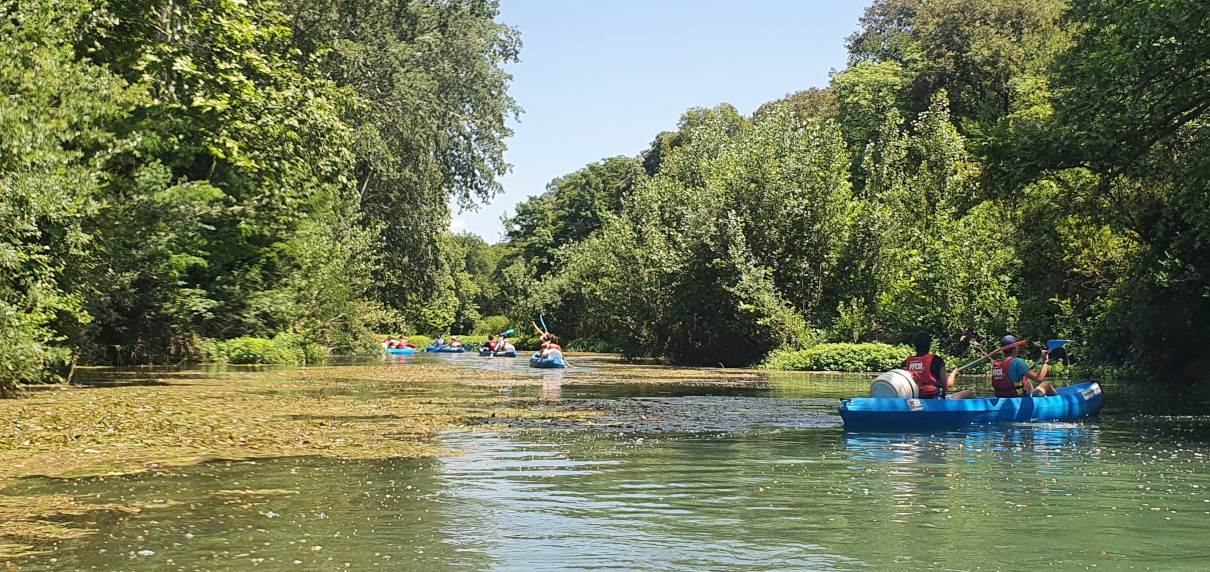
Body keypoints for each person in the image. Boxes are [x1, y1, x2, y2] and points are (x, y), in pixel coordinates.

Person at [903, 331, 974, 400]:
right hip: (935, 401)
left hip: (913, 400)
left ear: (914, 345)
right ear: (929, 345)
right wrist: (953, 374)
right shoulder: (936, 361)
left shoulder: (906, 363)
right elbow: (947, 387)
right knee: (968, 394)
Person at [990, 334, 1056, 397]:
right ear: (1015, 347)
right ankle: (1058, 401)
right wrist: (1045, 361)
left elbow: (1010, 376)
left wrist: (1027, 373)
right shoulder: (1017, 362)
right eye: (1018, 346)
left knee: (1028, 384)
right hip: (1017, 398)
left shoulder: (997, 363)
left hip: (1002, 397)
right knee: (1047, 384)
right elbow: (1039, 378)